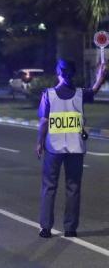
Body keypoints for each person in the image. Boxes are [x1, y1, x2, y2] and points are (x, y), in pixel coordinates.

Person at [36, 59, 107, 238]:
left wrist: (39, 142)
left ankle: (46, 228)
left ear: (58, 72)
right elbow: (94, 90)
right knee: (73, 187)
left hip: (53, 148)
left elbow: (44, 121)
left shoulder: (49, 94)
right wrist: (100, 76)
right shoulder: (80, 94)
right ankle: (70, 228)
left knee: (49, 187)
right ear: (73, 73)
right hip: (76, 148)